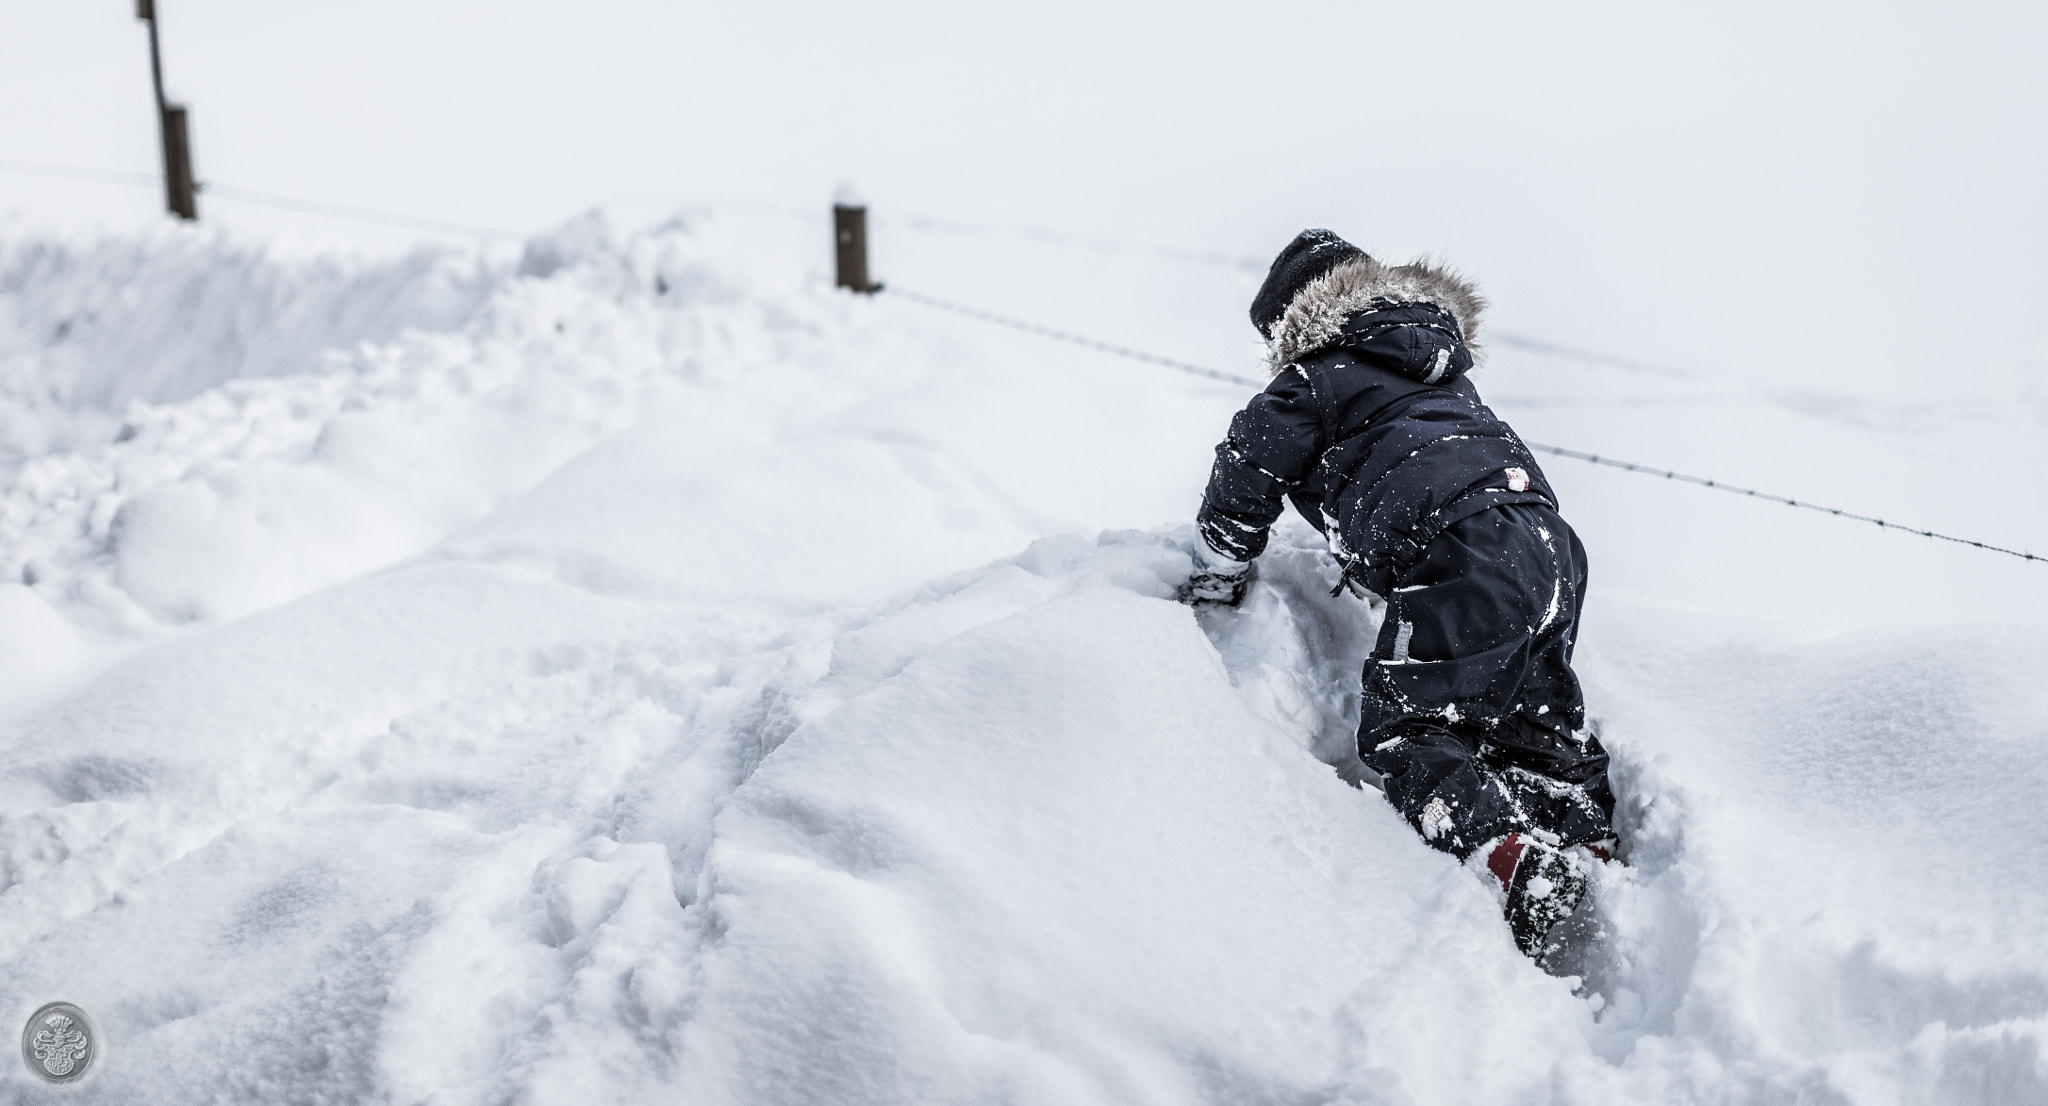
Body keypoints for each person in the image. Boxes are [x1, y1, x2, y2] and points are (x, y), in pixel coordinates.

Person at [1180, 229, 1616, 956]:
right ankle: (1588, 837)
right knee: (1532, 710)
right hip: (1550, 546)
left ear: (1295, 318)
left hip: (1462, 547)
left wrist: (1218, 570)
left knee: (1408, 728)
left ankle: (1510, 862)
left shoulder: (1317, 375)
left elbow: (1247, 465)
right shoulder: (1441, 371)